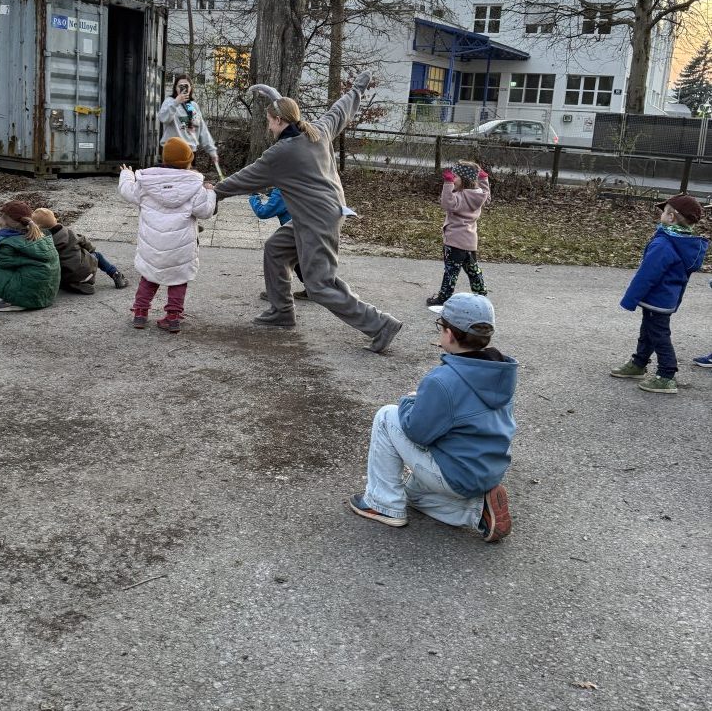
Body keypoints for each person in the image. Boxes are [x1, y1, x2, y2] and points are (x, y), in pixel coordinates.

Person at [213, 72, 402, 353]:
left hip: (317, 220)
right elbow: (340, 110)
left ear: (279, 121)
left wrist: (214, 193)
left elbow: (244, 179)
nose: (268, 126)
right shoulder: (317, 130)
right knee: (276, 249)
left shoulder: (280, 154)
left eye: (269, 121)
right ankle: (281, 312)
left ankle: (380, 324)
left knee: (319, 285)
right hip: (321, 213)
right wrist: (357, 89)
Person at [349, 293, 517, 541]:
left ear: (449, 334)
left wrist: (411, 401)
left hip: (456, 473)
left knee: (386, 416)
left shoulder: (443, 380)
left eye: (441, 326)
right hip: (487, 469)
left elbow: (417, 431)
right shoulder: (500, 371)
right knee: (414, 495)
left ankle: (382, 504)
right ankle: (478, 510)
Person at [118, 136, 217, 333]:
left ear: (164, 159)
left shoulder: (146, 183)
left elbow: (126, 191)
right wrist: (210, 192)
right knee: (178, 280)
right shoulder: (194, 186)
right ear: (188, 162)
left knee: (149, 277)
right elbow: (206, 212)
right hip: (181, 249)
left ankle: (140, 313)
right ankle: (173, 317)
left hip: (152, 246)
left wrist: (127, 174)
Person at [611, 193, 708, 394]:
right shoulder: (684, 244)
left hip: (656, 299)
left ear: (671, 217)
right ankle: (639, 363)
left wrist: (630, 299)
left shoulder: (664, 244)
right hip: (666, 300)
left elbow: (647, 275)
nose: (661, 215)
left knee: (659, 336)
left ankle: (666, 375)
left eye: (664, 212)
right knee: (648, 331)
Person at [0, 199, 60, 313]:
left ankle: (16, 301)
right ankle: (25, 296)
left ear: (6, 222)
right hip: (46, 295)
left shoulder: (8, 242)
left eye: (2, 216)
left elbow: (0, 263)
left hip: (28, 297)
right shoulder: (41, 235)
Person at [426, 159, 490, 306]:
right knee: (473, 270)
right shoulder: (479, 195)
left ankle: (444, 297)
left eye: (456, 177)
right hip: (470, 242)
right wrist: (484, 179)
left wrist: (447, 184)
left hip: (454, 242)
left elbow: (447, 203)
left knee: (451, 272)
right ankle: (481, 294)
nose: (453, 179)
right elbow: (487, 194)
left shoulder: (460, 197)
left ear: (465, 180)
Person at [31, 208, 129, 293]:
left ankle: (73, 284)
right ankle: (116, 274)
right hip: (86, 270)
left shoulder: (43, 242)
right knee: (97, 255)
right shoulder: (68, 232)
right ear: (55, 220)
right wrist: (91, 250)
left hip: (66, 275)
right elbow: (84, 241)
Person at [248, 188, 306, 300]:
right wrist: (268, 192)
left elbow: (263, 212)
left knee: (278, 257)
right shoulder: (294, 184)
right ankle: (314, 289)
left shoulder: (282, 191)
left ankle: (277, 292)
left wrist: (253, 197)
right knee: (299, 260)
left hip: (294, 231)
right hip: (309, 227)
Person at [157, 73, 219, 169]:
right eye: (180, 86)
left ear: (190, 88)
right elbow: (163, 118)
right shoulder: (169, 102)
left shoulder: (192, 105)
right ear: (175, 88)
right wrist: (176, 102)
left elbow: (202, 129)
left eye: (186, 86)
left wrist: (212, 151)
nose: (183, 88)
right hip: (172, 151)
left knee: (188, 178)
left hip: (189, 151)